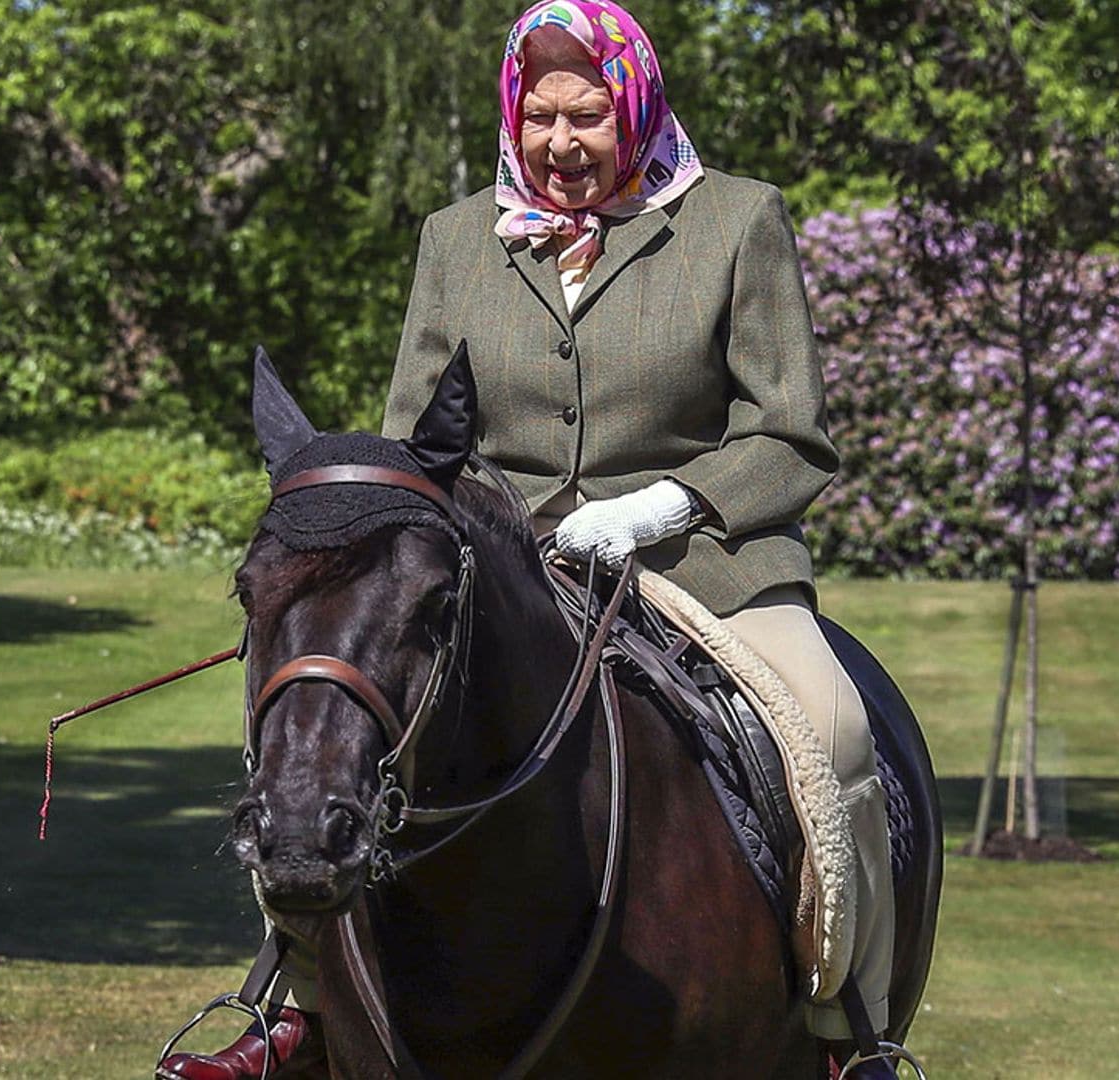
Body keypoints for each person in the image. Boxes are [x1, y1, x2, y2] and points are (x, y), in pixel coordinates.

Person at [174, 3, 894, 1076]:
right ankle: (302, 1007)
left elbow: (791, 436)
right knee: (334, 726)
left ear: (635, 105)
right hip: (502, 570)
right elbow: (421, 445)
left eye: (591, 117)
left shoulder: (737, 222)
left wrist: (662, 508)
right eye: (541, 118)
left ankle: (850, 1033)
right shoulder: (456, 238)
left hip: (701, 562)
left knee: (833, 733)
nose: (562, 145)